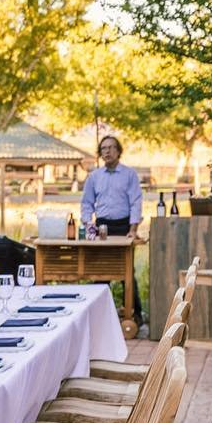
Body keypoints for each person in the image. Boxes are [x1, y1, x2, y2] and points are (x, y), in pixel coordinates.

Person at [80, 134, 144, 323]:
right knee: (101, 272)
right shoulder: (94, 176)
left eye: (111, 148)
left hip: (123, 227)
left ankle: (135, 315)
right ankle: (99, 318)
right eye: (103, 149)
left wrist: (133, 229)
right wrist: (89, 226)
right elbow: (86, 203)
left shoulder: (129, 174)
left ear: (118, 151)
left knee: (127, 274)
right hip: (101, 228)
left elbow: (136, 202)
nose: (107, 151)